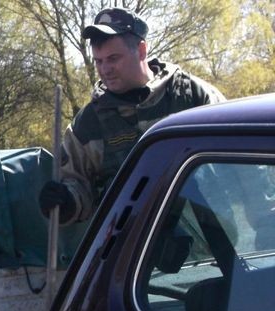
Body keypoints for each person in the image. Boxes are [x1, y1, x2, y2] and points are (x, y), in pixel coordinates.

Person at [39, 7, 226, 224]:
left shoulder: (192, 96)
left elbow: (243, 165)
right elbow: (77, 184)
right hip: (135, 250)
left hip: (216, 241)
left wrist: (263, 220)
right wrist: (67, 200)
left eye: (113, 58)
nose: (105, 69)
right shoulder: (88, 124)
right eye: (98, 61)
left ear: (142, 50)